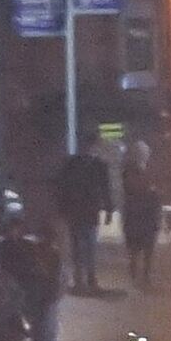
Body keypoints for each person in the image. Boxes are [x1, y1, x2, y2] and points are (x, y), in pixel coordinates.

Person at [56, 124, 115, 292]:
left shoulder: (76, 164)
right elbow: (105, 188)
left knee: (82, 245)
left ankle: (84, 278)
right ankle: (85, 278)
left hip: (82, 210)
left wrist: (109, 208)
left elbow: (63, 187)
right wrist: (108, 209)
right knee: (85, 245)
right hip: (84, 209)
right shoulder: (93, 165)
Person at [122, 137, 164, 288]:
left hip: (147, 214)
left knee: (148, 249)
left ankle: (145, 276)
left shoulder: (150, 169)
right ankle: (135, 276)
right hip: (136, 214)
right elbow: (133, 188)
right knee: (135, 249)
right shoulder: (130, 170)